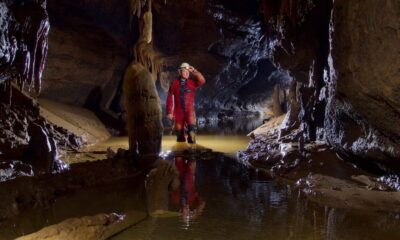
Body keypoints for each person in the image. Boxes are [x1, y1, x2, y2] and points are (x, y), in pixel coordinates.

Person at [166, 63, 205, 144]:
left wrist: (194, 71)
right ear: (180, 72)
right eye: (185, 71)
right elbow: (170, 98)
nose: (187, 73)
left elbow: (202, 81)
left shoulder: (192, 83)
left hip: (190, 113)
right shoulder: (174, 83)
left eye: (188, 71)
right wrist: (169, 112)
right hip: (178, 113)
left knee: (192, 135)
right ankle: (180, 155)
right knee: (180, 138)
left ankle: (192, 154)